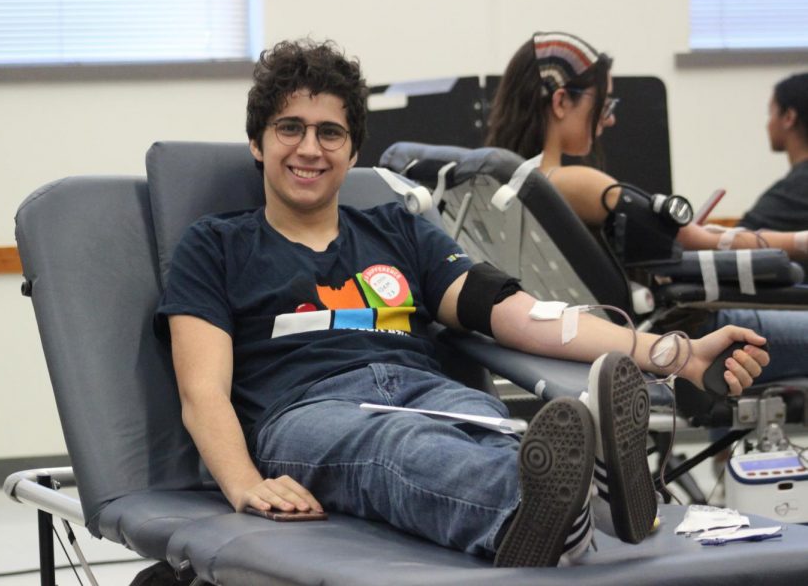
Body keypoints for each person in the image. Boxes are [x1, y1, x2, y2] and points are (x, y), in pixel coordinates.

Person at [156, 39, 768, 568]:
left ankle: (572, 508)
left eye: (330, 132)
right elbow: (203, 391)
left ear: (353, 149)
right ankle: (561, 509)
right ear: (258, 144)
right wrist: (244, 484)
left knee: (495, 432)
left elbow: (523, 317)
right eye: (289, 128)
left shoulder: (397, 231)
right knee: (398, 448)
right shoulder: (215, 246)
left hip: (424, 389)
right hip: (306, 412)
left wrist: (675, 353)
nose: (309, 148)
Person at [486, 31, 806, 383]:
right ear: (561, 102)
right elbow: (702, 240)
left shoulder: (501, 181)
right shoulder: (574, 183)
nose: (609, 120)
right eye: (603, 105)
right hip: (692, 333)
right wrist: (798, 242)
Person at [739, 72, 808, 232]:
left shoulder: (796, 190)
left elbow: (741, 236)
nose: (768, 124)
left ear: (789, 118)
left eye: (771, 113)